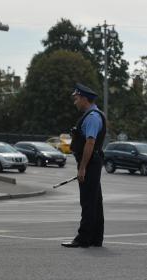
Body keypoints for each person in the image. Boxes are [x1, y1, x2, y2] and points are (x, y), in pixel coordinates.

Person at [62, 83, 106, 248]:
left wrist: (82, 168)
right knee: (95, 201)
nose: (75, 101)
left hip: (89, 163)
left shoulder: (92, 117)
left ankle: (83, 238)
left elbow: (90, 142)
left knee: (88, 201)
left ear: (84, 99)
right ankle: (96, 238)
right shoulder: (94, 114)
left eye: (77, 98)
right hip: (93, 162)